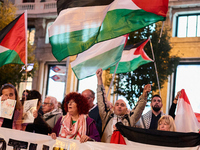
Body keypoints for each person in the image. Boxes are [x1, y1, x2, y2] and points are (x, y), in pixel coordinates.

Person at [96, 68, 151, 143]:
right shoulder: (106, 117)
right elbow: (101, 101)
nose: (119, 106)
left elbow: (139, 108)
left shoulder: (129, 119)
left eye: (122, 105)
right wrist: (99, 79)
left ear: (126, 109)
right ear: (113, 108)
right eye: (117, 104)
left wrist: (144, 95)